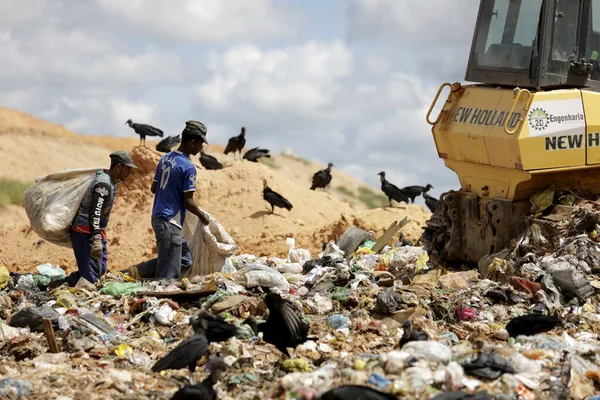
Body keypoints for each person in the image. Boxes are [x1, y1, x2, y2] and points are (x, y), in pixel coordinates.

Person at [130, 120, 209, 280]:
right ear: (192, 142)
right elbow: (189, 202)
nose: (201, 148)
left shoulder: (165, 158)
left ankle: (137, 272)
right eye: (200, 143)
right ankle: (154, 291)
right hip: (170, 222)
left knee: (184, 259)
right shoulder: (188, 167)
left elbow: (154, 188)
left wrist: (170, 190)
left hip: (158, 218)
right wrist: (203, 217)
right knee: (168, 275)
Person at [65, 151, 137, 286]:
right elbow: (96, 211)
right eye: (127, 169)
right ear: (118, 167)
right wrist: (96, 237)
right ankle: (71, 286)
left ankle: (66, 283)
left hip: (92, 231)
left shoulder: (109, 181)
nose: (129, 173)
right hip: (85, 232)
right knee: (91, 276)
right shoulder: (103, 184)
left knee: (99, 269)